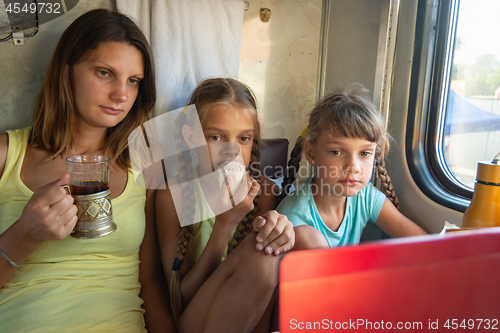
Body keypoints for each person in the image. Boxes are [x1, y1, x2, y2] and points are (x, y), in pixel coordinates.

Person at [0, 9, 174, 332]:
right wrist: (24, 235)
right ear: (67, 71)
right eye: (105, 73)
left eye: (133, 81)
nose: (121, 95)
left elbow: (150, 281)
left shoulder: (145, 160)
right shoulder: (6, 155)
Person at [155, 78, 295, 333]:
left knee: (302, 237)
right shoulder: (171, 194)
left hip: (251, 317)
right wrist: (224, 224)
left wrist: (283, 229)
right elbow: (182, 297)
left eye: (243, 138)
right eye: (216, 137)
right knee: (262, 257)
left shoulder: (264, 191)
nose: (231, 151)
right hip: (196, 318)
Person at [277, 84, 427, 250]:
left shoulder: (365, 195)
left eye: (364, 153)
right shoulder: (295, 218)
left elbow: (423, 244)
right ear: (311, 154)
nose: (353, 167)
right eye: (336, 152)